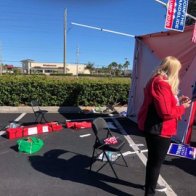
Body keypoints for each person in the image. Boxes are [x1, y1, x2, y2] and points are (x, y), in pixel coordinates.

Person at [138, 56, 191, 196]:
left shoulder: (156, 80)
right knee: (155, 164)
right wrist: (183, 107)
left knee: (153, 162)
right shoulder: (162, 83)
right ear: (173, 69)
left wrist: (178, 101)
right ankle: (150, 191)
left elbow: (162, 104)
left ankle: (150, 186)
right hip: (159, 130)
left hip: (154, 127)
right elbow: (166, 112)